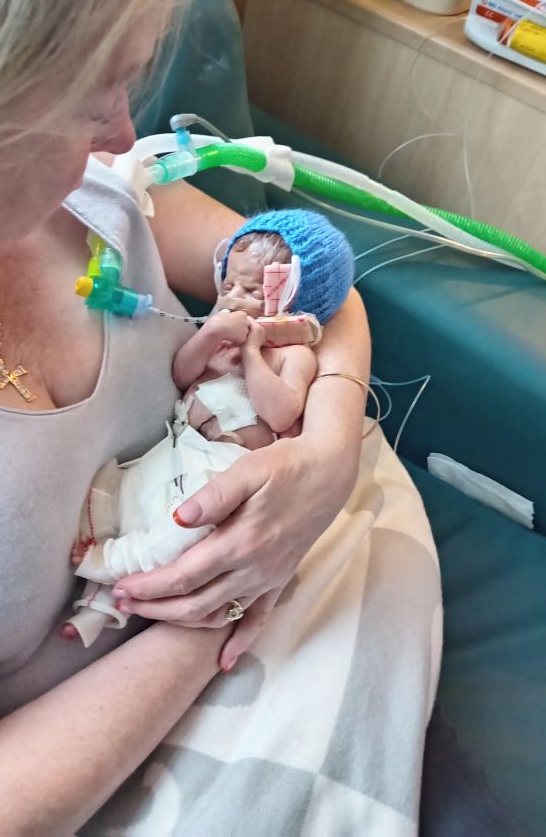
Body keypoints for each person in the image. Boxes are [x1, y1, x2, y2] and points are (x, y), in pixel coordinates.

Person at [0, 0, 441, 835]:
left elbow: (318, 291)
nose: (125, 134)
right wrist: (228, 599)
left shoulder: (99, 200)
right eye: (89, 95)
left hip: (337, 583)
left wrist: (330, 447)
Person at [63, 210, 355, 646]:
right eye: (229, 285)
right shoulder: (218, 338)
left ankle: (114, 562)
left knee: (184, 530)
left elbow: (279, 413)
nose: (234, 297)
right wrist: (208, 334)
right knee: (128, 491)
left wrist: (254, 352)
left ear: (292, 298)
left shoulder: (292, 356)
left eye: (252, 290)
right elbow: (184, 375)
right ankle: (98, 605)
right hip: (183, 444)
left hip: (226, 465)